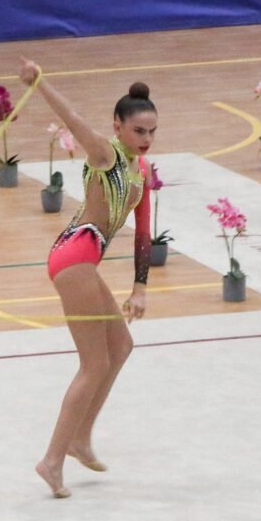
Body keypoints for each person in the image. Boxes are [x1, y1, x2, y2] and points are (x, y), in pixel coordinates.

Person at [19, 58, 154, 498]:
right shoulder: (104, 154)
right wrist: (39, 82)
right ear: (118, 126)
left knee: (122, 346)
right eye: (138, 131)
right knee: (94, 364)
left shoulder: (141, 170)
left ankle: (80, 438)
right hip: (73, 256)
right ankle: (52, 460)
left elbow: (144, 231)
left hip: (84, 261)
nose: (146, 139)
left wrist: (139, 287)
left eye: (152, 132)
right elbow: (71, 117)